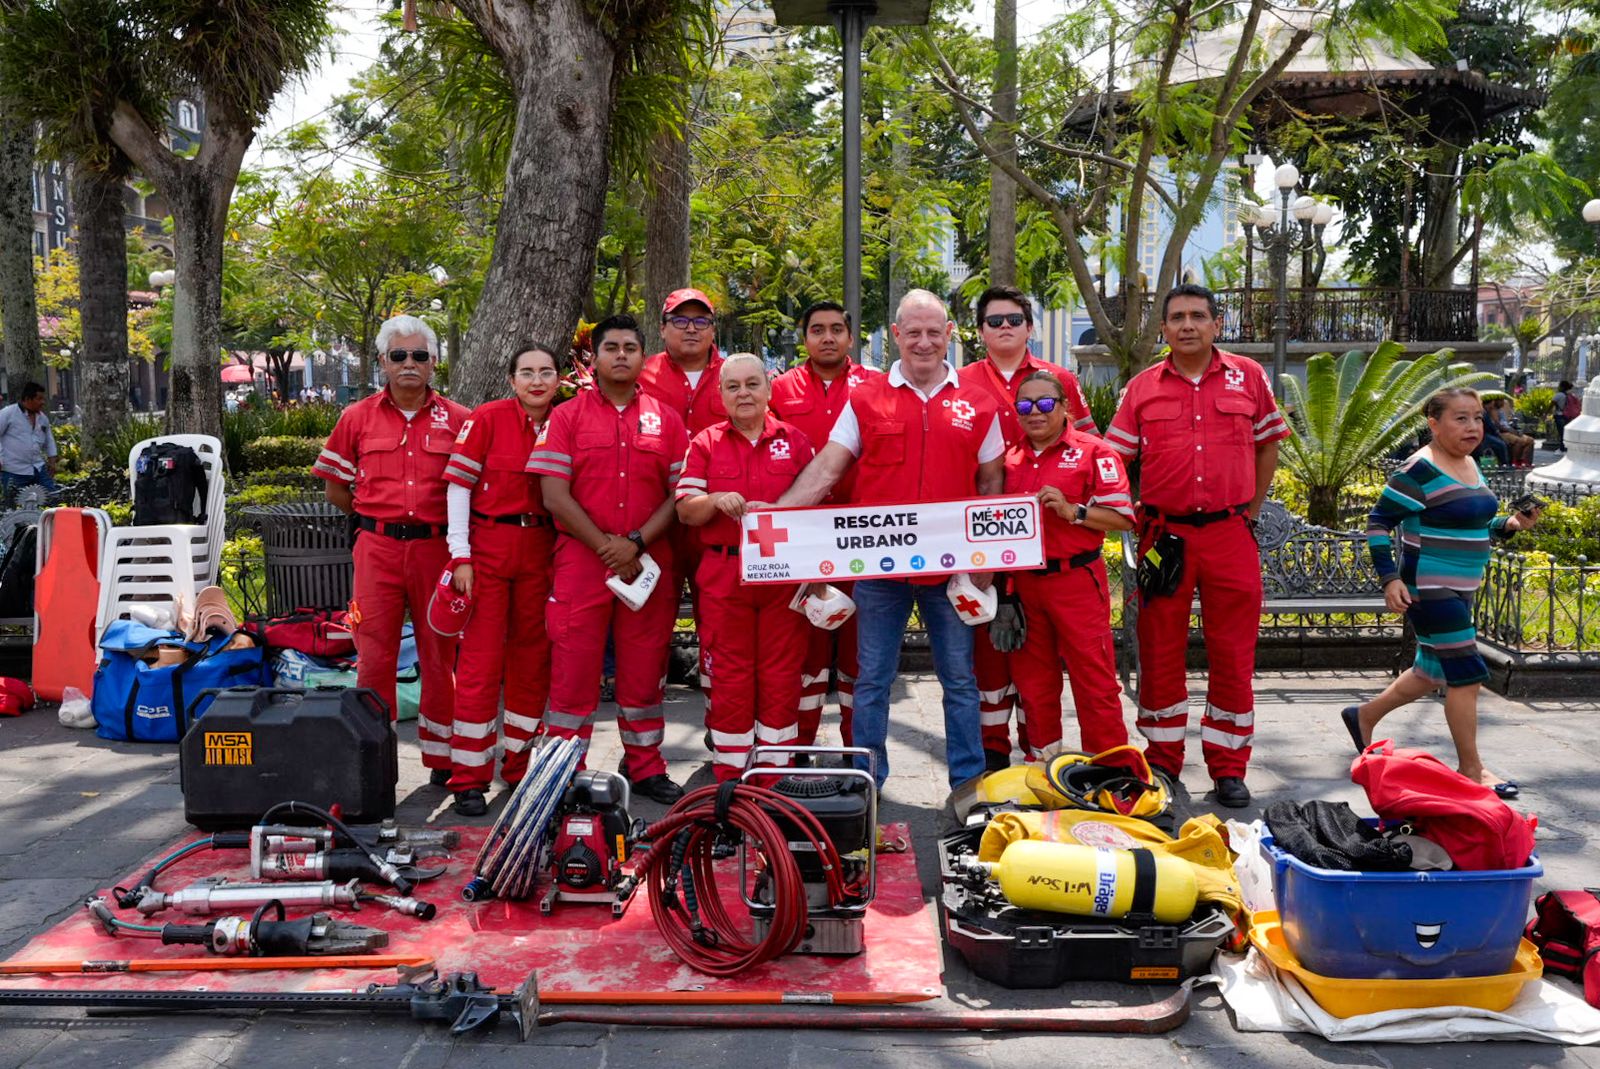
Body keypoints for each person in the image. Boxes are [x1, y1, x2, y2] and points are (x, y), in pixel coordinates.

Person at [778, 289, 1004, 792]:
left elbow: (991, 481)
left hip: (952, 571)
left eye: (934, 332)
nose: (924, 342)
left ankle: (967, 784)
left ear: (949, 334)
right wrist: (776, 514)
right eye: (913, 332)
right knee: (872, 680)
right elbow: (826, 469)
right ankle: (867, 780)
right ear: (896, 335)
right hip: (879, 572)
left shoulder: (979, 402)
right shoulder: (865, 398)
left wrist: (985, 560)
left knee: (959, 680)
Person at [1105, 283, 1290, 809]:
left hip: (1230, 534)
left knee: (1233, 653)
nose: (1187, 325)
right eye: (1177, 317)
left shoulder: (1247, 376)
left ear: (1216, 324)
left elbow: (1268, 443)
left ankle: (1229, 767)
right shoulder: (1142, 388)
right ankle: (1162, 760)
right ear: (1164, 328)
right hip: (1165, 537)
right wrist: (1128, 512)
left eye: (1198, 316)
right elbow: (1115, 458)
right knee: (1159, 650)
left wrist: (1250, 511)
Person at [1342, 387, 1541, 797]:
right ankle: (1472, 769)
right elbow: (1378, 523)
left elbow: (1470, 523)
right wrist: (1389, 579)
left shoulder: (1468, 462)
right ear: (1434, 424)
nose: (1473, 427)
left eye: (1477, 418)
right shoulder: (1418, 470)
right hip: (1430, 586)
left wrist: (1511, 524)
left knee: (1430, 672)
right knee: (1466, 674)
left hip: (1462, 586)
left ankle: (1363, 716)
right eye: (1460, 418)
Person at [530, 313, 690, 804]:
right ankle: (565, 773)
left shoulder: (667, 419)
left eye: (630, 348)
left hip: (648, 564)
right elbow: (554, 495)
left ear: (643, 357)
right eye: (611, 347)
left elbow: (680, 494)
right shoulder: (565, 416)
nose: (621, 355)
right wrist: (608, 546)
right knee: (573, 672)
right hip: (581, 561)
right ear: (593, 358)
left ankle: (646, 766)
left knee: (644, 670)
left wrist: (635, 544)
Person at [313, 315, 470, 785]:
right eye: (399, 355)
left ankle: (443, 759)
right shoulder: (356, 417)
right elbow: (336, 489)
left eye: (419, 355)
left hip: (436, 551)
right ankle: (374, 759)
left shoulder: (460, 420)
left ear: (434, 362)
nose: (409, 364)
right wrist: (373, 519)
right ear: (382, 361)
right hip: (377, 549)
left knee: (439, 655)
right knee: (374, 655)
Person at [959, 285, 1098, 770]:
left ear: (1030, 327)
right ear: (980, 330)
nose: (1004, 327)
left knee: (1040, 659)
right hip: (981, 537)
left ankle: (1038, 751)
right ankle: (992, 752)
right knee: (990, 653)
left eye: (1014, 320)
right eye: (994, 320)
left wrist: (1078, 509)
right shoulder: (960, 382)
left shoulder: (1058, 379)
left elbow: (1090, 446)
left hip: (1050, 543)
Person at [677, 354, 816, 779]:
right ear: (721, 395)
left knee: (782, 677)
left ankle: (773, 776)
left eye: (752, 384)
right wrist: (715, 500)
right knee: (730, 679)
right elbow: (684, 510)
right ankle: (731, 777)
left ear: (769, 389)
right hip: (725, 575)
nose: (743, 394)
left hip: (782, 577)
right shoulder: (705, 443)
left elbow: (817, 511)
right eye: (733, 386)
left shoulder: (796, 441)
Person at [440, 343, 564, 816]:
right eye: (527, 372)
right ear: (512, 380)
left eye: (546, 372)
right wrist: (461, 556)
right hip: (489, 549)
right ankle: (469, 777)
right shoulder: (488, 419)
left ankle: (520, 767)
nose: (537, 381)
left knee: (532, 662)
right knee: (480, 664)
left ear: (558, 379)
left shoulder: (566, 421)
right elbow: (458, 488)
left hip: (542, 551)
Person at [1002, 370, 1135, 760]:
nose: (1035, 412)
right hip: (1024, 585)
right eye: (1025, 405)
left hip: (1076, 580)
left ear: (1064, 407)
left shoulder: (1096, 452)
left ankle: (1110, 767)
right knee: (1034, 684)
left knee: (1094, 682)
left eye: (1046, 403)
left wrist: (1074, 511)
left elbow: (1123, 519)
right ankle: (1043, 765)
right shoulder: (1008, 458)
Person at [770, 300, 879, 747]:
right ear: (805, 338)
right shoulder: (779, 389)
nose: (828, 337)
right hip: (803, 535)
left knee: (861, 650)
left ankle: (860, 752)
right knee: (805, 651)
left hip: (863, 533)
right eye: (818, 329)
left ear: (851, 337)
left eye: (837, 329)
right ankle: (799, 750)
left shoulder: (876, 386)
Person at [0, 382, 58, 506]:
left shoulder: (42, 418)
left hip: (38, 468)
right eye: (39, 399)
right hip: (14, 470)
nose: (43, 402)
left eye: (43, 399)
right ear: (27, 399)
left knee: (53, 499)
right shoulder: (8, 413)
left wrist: (52, 462)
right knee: (14, 507)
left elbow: (49, 440)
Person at [1486, 397, 1535, 467]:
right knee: (1518, 441)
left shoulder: (1501, 410)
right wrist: (1511, 431)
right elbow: (1498, 425)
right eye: (1501, 400)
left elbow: (1506, 422)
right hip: (1502, 432)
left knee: (1530, 440)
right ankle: (1514, 461)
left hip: (1509, 430)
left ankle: (1524, 461)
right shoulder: (1493, 410)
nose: (1503, 402)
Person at [1553, 380, 1579, 452]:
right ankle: (1566, 447)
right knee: (1565, 432)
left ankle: (1562, 448)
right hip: (1568, 416)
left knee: (1561, 433)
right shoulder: (1571, 395)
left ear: (1562, 387)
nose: (1558, 387)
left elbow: (1551, 404)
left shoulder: (1559, 395)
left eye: (1559, 386)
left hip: (1559, 415)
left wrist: (1545, 414)